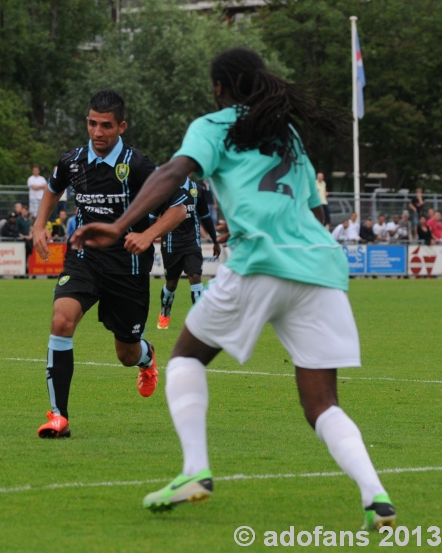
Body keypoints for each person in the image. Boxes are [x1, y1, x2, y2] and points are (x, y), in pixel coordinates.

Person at [71, 48, 395, 530]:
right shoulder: (287, 133)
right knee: (322, 403)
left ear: (220, 87)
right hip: (319, 265)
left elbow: (171, 174)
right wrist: (244, 224)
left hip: (262, 263)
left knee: (183, 358)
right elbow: (313, 213)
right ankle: (378, 499)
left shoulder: (214, 125)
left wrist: (119, 225)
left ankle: (194, 471)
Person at [33, 89, 161, 439]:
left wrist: (149, 234)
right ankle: (58, 416)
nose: (97, 132)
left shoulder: (138, 165)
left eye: (106, 126)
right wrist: (39, 224)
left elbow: (179, 205)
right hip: (85, 256)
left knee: (125, 352)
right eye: (92, 124)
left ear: (121, 126)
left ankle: (146, 358)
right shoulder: (72, 160)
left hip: (128, 266)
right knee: (61, 320)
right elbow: (53, 186)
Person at [155, 177, 220, 330]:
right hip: (171, 242)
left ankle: (201, 320)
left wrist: (215, 240)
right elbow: (153, 216)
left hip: (192, 241)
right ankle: (165, 312)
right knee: (171, 284)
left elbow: (205, 216)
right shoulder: (166, 188)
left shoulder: (196, 189)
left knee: (194, 275)